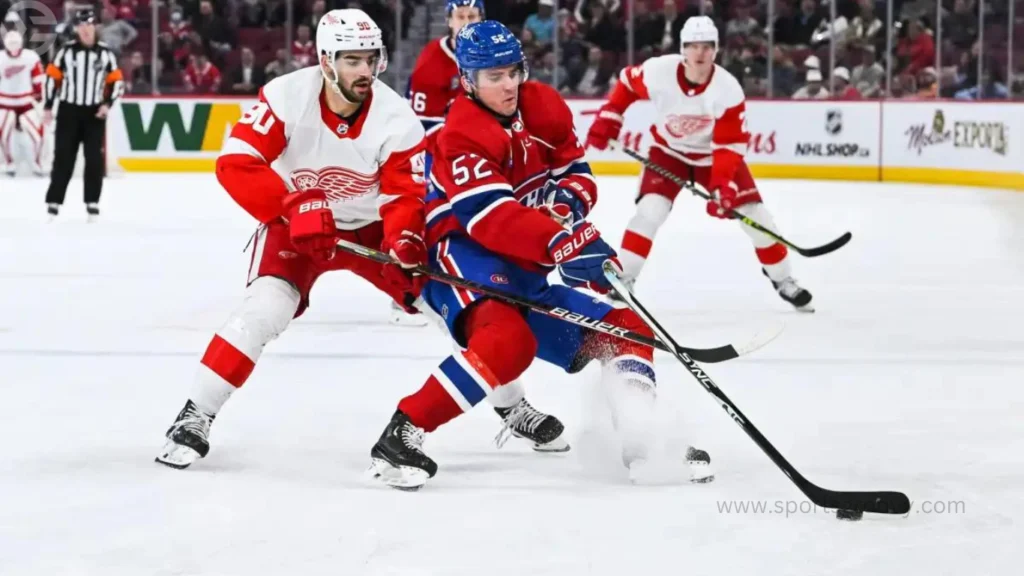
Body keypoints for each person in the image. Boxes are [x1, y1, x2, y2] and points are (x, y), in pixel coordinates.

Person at [366, 21, 713, 491]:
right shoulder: (460, 134)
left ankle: (641, 437)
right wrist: (560, 242)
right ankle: (401, 435)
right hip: (462, 255)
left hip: (525, 263)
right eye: (493, 76)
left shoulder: (542, 104)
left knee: (628, 330)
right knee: (507, 343)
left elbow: (578, 173)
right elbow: (491, 219)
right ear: (467, 80)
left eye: (513, 71)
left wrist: (566, 207)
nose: (508, 84)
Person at [155, 9, 430, 470]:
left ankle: (511, 404)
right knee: (263, 309)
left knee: (449, 307)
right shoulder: (287, 96)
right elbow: (235, 163)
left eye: (371, 59)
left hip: (371, 229)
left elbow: (405, 195)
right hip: (295, 223)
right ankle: (196, 414)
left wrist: (404, 239)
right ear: (326, 61)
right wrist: (291, 205)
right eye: (352, 61)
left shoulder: (397, 119)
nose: (365, 71)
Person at [585, 16, 813, 311]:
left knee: (757, 217)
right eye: (694, 46)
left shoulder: (727, 89)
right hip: (668, 152)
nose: (700, 53)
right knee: (649, 211)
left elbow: (729, 146)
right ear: (683, 49)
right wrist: (610, 116)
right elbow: (627, 84)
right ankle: (624, 279)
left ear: (716, 50)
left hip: (711, 158)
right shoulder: (659, 71)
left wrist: (721, 185)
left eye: (707, 46)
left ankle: (783, 280)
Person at [397, 0, 483, 324]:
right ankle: (411, 288)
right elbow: (421, 126)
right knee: (432, 215)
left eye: (472, 15)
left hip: (477, 151)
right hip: (438, 152)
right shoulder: (432, 61)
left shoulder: (489, 54)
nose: (467, 21)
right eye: (460, 16)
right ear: (449, 21)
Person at [43, 8, 124, 221]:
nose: (85, 30)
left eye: (89, 26)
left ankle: (92, 203)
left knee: (94, 159)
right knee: (63, 157)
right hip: (69, 110)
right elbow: (52, 79)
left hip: (94, 113)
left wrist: (107, 104)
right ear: (77, 30)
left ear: (95, 28)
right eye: (81, 27)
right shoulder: (66, 52)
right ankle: (54, 203)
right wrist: (48, 106)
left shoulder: (106, 53)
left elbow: (116, 82)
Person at [0, 28, 46, 176]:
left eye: (16, 43)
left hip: (26, 102)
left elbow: (38, 78)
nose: (13, 47)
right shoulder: (0, 58)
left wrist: (38, 94)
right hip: (5, 102)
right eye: (10, 43)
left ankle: (37, 162)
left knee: (38, 134)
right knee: (3, 133)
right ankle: (9, 162)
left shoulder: (30, 57)